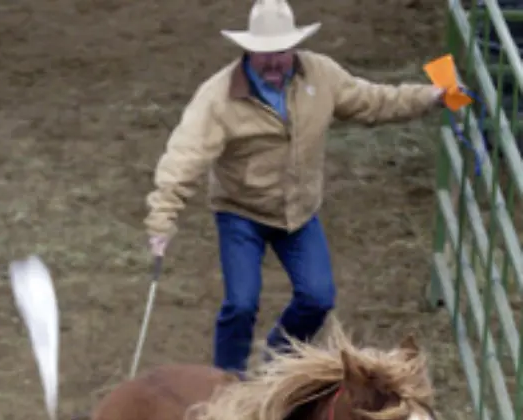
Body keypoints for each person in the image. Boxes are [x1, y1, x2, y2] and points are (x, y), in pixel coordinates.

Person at [145, 0, 445, 374]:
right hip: (241, 212)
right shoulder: (218, 97)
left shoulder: (322, 75)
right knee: (241, 303)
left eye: (281, 53)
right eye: (263, 54)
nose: (273, 63)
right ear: (248, 51)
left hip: (299, 214)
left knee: (318, 298)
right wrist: (162, 219)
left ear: (294, 48)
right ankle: (225, 378)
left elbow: (373, 101)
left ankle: (277, 359)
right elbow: (183, 157)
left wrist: (429, 96)